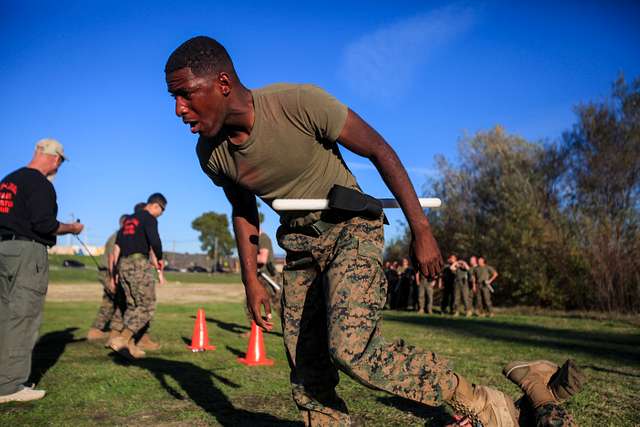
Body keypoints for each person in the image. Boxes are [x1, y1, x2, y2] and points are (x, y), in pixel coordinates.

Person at [164, 36, 575, 427]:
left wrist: (422, 231)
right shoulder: (212, 153)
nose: (179, 109)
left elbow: (380, 149)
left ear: (222, 84)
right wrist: (251, 281)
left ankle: (479, 401)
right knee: (306, 365)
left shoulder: (299, 103)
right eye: (173, 98)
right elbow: (243, 209)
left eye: (185, 94)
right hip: (301, 247)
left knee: (350, 347)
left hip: (351, 229)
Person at [0, 138, 84, 403]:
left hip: (2, 249)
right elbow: (44, 224)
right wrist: (71, 228)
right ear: (56, 159)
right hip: (27, 252)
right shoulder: (40, 183)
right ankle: (9, 386)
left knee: (3, 316)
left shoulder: (9, 180)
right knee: (23, 316)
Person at [109, 193, 167, 359]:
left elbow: (117, 247)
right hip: (138, 265)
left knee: (133, 305)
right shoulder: (149, 218)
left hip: (123, 265)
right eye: (161, 212)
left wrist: (115, 272)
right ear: (156, 206)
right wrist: (160, 258)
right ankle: (123, 338)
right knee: (147, 306)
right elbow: (155, 241)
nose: (159, 215)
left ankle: (129, 347)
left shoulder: (128, 220)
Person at [87, 214, 128, 343]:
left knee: (110, 302)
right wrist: (112, 279)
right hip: (109, 273)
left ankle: (99, 330)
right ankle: (106, 331)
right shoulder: (118, 237)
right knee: (115, 302)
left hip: (109, 272)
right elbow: (112, 258)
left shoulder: (116, 236)